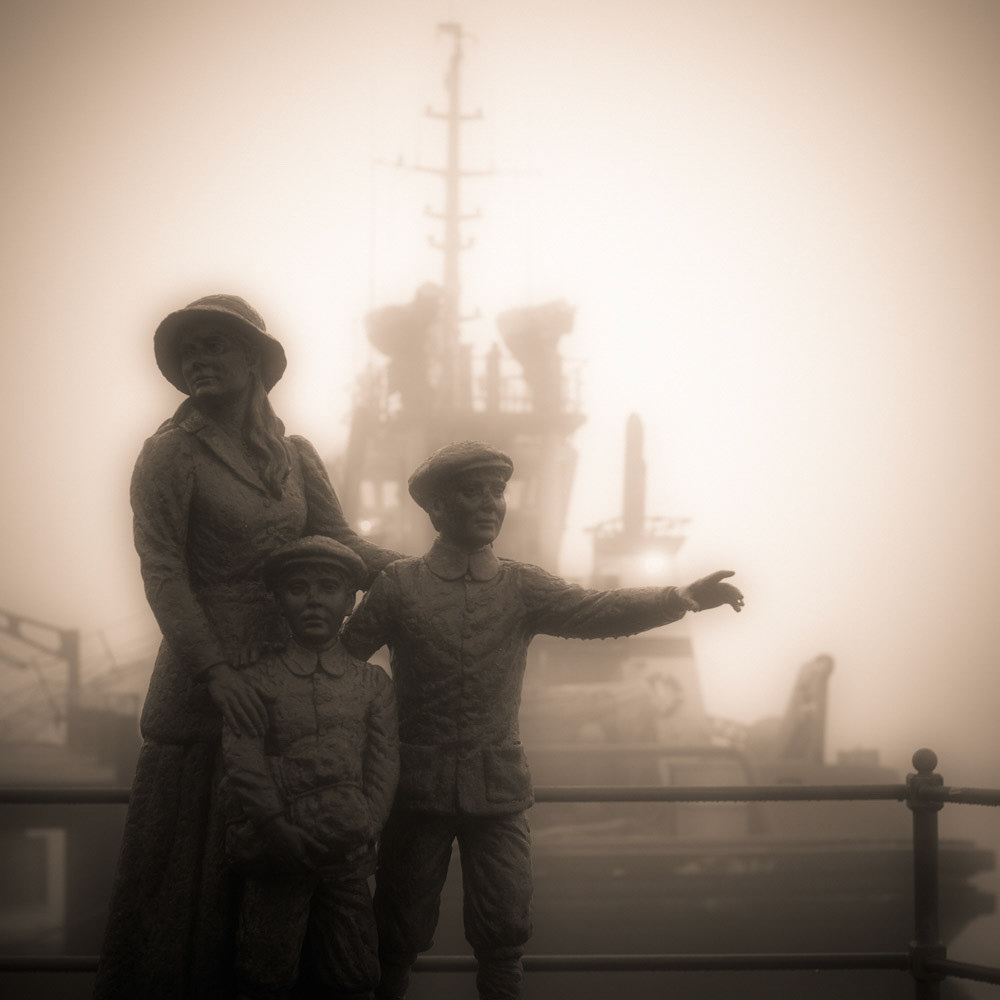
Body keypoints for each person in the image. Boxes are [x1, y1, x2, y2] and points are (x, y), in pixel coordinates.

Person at [340, 440, 745, 1000]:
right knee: (397, 931)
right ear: (435, 508)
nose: (489, 502)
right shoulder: (399, 586)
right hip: (416, 791)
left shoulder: (520, 586)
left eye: (497, 490)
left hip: (498, 794)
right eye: (471, 490)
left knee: (505, 932)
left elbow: (595, 611)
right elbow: (340, 667)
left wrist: (679, 597)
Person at [94, 294, 401, 1000]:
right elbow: (164, 571)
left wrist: (420, 572)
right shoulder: (170, 454)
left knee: (287, 877)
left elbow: (340, 545)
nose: (198, 358)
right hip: (210, 685)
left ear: (256, 361)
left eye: (216, 344)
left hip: (295, 678)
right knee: (194, 872)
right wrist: (213, 670)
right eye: (187, 350)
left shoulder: (294, 457)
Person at [220, 536, 398, 1000]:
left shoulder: (371, 684)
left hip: (347, 855)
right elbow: (242, 759)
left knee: (355, 970)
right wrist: (276, 827)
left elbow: (383, 765)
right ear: (279, 601)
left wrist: (366, 827)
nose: (314, 599)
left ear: (350, 602)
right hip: (275, 852)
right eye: (298, 588)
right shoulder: (256, 680)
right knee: (265, 970)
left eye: (329, 587)